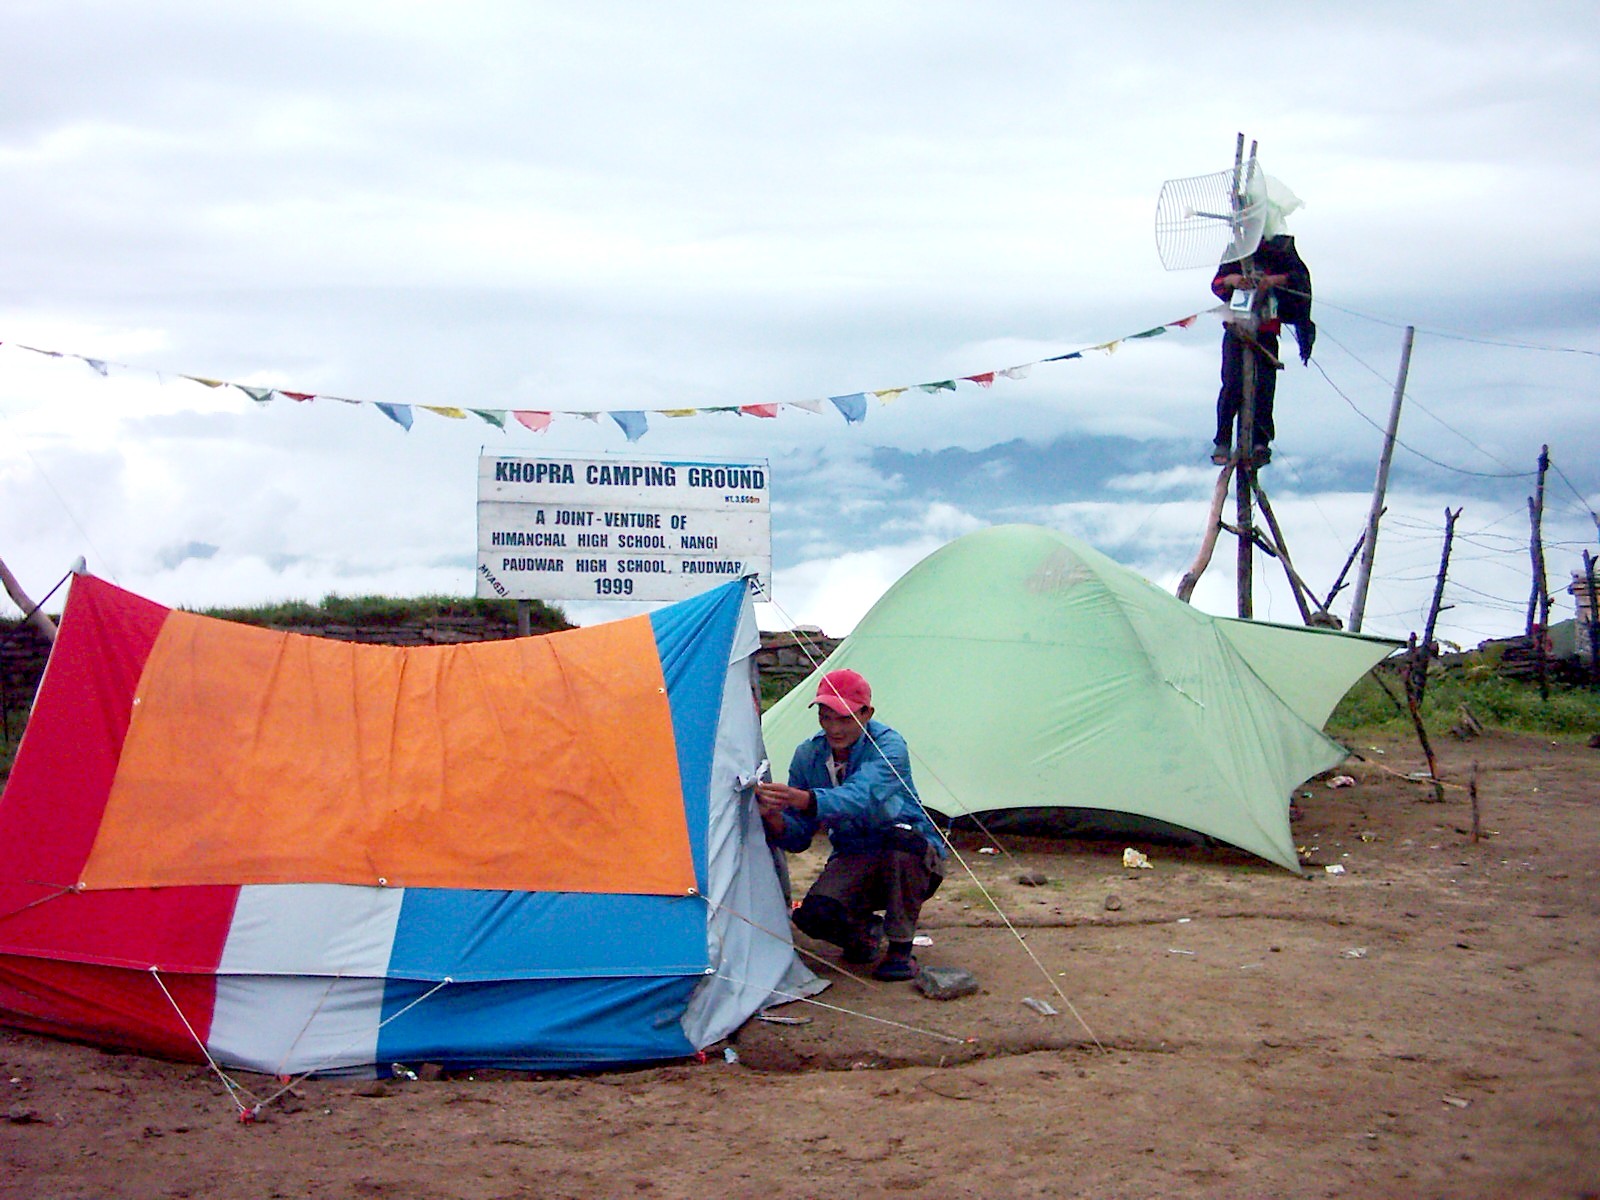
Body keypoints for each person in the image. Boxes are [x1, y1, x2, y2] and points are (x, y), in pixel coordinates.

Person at [754, 669, 944, 982]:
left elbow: (861, 795)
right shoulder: (808, 755)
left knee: (902, 843)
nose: (834, 728)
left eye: (845, 718)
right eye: (826, 717)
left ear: (867, 713)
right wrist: (772, 815)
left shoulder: (889, 745)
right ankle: (866, 934)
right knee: (813, 916)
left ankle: (900, 948)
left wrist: (805, 799)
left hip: (912, 854)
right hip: (854, 854)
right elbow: (800, 835)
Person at [1210, 233, 1315, 467]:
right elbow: (1217, 283)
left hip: (1266, 327)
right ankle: (1223, 441)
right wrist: (1234, 279)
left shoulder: (1280, 250)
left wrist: (1273, 280)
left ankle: (1260, 442)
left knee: (1264, 387)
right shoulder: (1235, 250)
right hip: (1237, 327)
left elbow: (1299, 280)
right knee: (1232, 384)